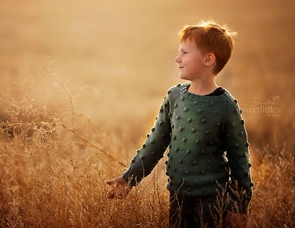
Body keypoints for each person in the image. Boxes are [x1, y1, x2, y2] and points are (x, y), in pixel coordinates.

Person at [106, 21, 253, 228]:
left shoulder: (226, 105)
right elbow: (154, 144)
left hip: (213, 201)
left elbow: (239, 160)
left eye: (184, 52)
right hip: (178, 197)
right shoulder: (174, 97)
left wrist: (238, 208)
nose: (177, 58)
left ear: (208, 59)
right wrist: (129, 178)